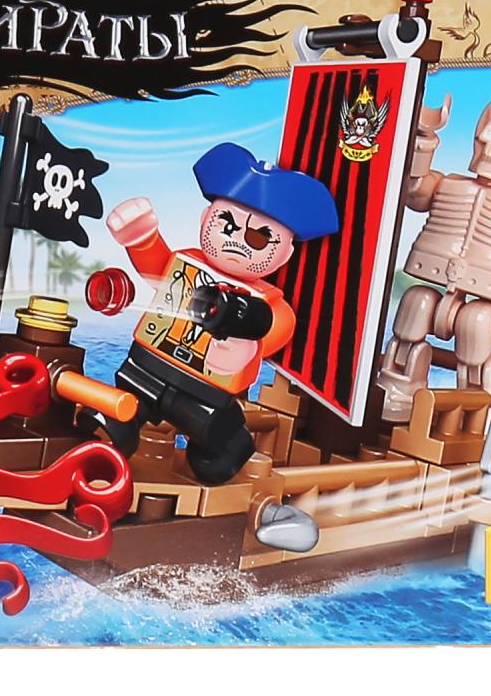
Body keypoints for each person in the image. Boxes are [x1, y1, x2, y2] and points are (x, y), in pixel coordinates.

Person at [98, 142, 338, 484]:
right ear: (205, 219)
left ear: (285, 254)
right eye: (227, 225)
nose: (237, 241)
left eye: (258, 239)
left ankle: (224, 455)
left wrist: (244, 345)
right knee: (119, 413)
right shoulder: (187, 262)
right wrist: (141, 237)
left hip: (205, 396)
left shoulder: (270, 302)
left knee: (217, 446)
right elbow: (159, 272)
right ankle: (109, 435)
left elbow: (275, 329)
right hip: (145, 369)